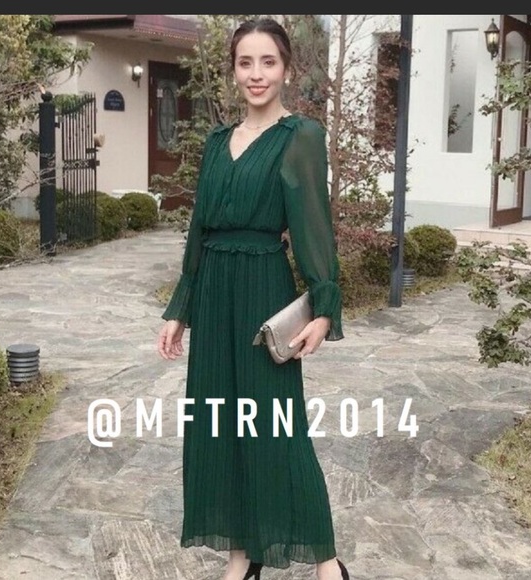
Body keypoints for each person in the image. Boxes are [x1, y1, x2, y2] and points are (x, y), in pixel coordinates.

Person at [157, 17, 349, 580]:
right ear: (233, 71)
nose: (256, 73)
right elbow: (199, 230)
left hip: (265, 291)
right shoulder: (217, 143)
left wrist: (323, 306)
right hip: (214, 295)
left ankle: (327, 563)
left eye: (268, 61)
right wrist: (180, 308)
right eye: (246, 62)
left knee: (278, 430)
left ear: (286, 68)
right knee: (219, 427)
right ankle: (242, 557)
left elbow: (313, 226)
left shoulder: (300, 136)